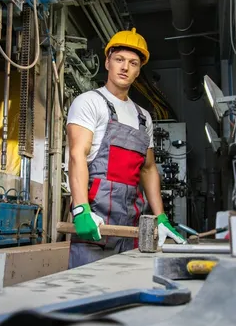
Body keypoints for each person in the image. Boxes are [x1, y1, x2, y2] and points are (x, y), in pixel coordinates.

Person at [66, 28, 185, 269]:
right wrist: (80, 209)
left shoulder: (144, 117)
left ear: (139, 70)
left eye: (133, 62)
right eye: (119, 59)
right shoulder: (90, 102)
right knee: (86, 288)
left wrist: (160, 216)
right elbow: (77, 154)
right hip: (96, 220)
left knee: (126, 286)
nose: (125, 67)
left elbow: (149, 169)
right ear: (108, 61)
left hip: (132, 223)